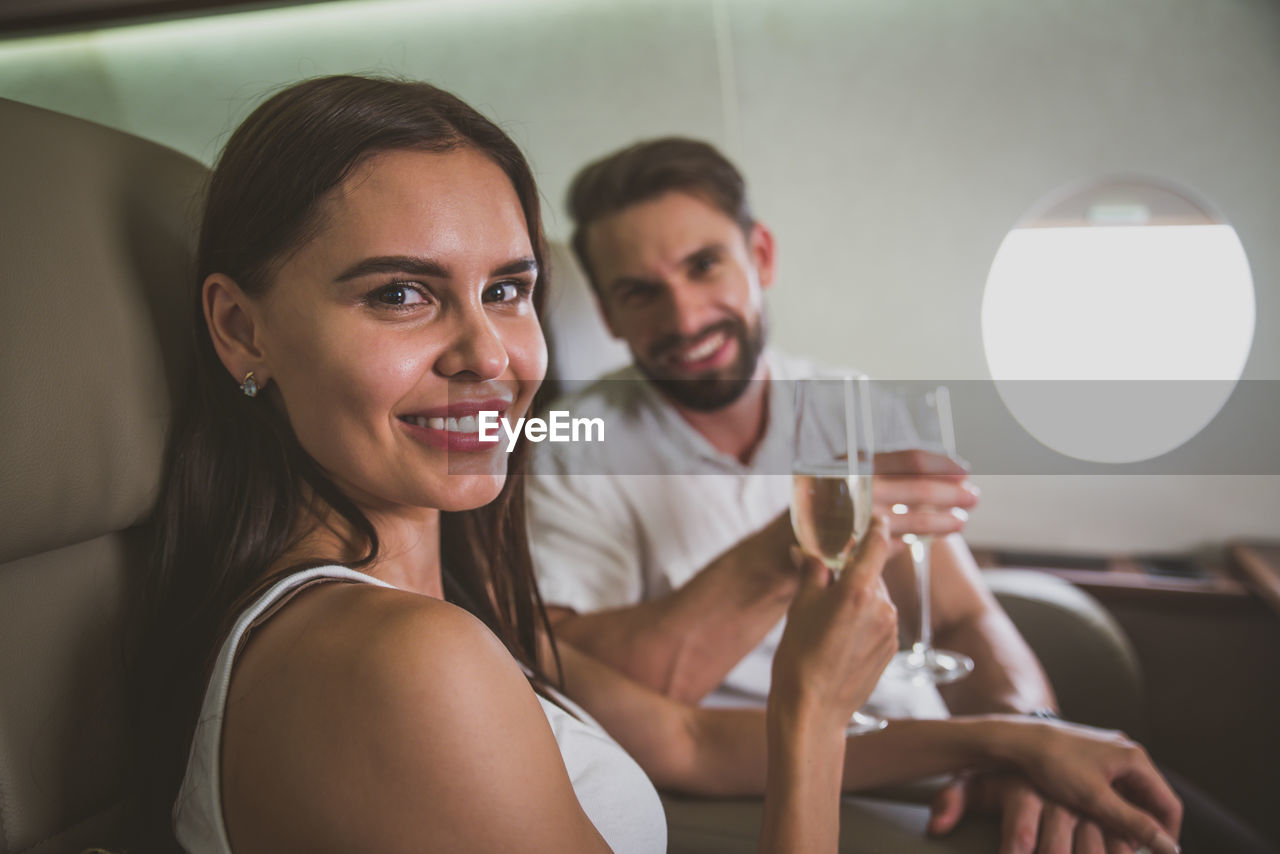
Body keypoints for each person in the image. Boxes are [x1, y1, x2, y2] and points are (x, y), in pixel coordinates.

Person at [119, 73, 928, 854]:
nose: (488, 355)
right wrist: (813, 719)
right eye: (401, 294)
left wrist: (1012, 745)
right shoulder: (402, 663)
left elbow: (687, 742)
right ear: (241, 330)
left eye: (508, 291)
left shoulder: (456, 602)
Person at [527, 137, 1186, 853]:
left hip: (953, 756)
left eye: (704, 265)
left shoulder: (851, 408)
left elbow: (962, 619)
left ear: (762, 257)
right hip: (777, 785)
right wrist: (797, 541)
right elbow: (610, 702)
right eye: (640, 292)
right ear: (609, 314)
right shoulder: (566, 451)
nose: (685, 319)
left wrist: (1031, 735)